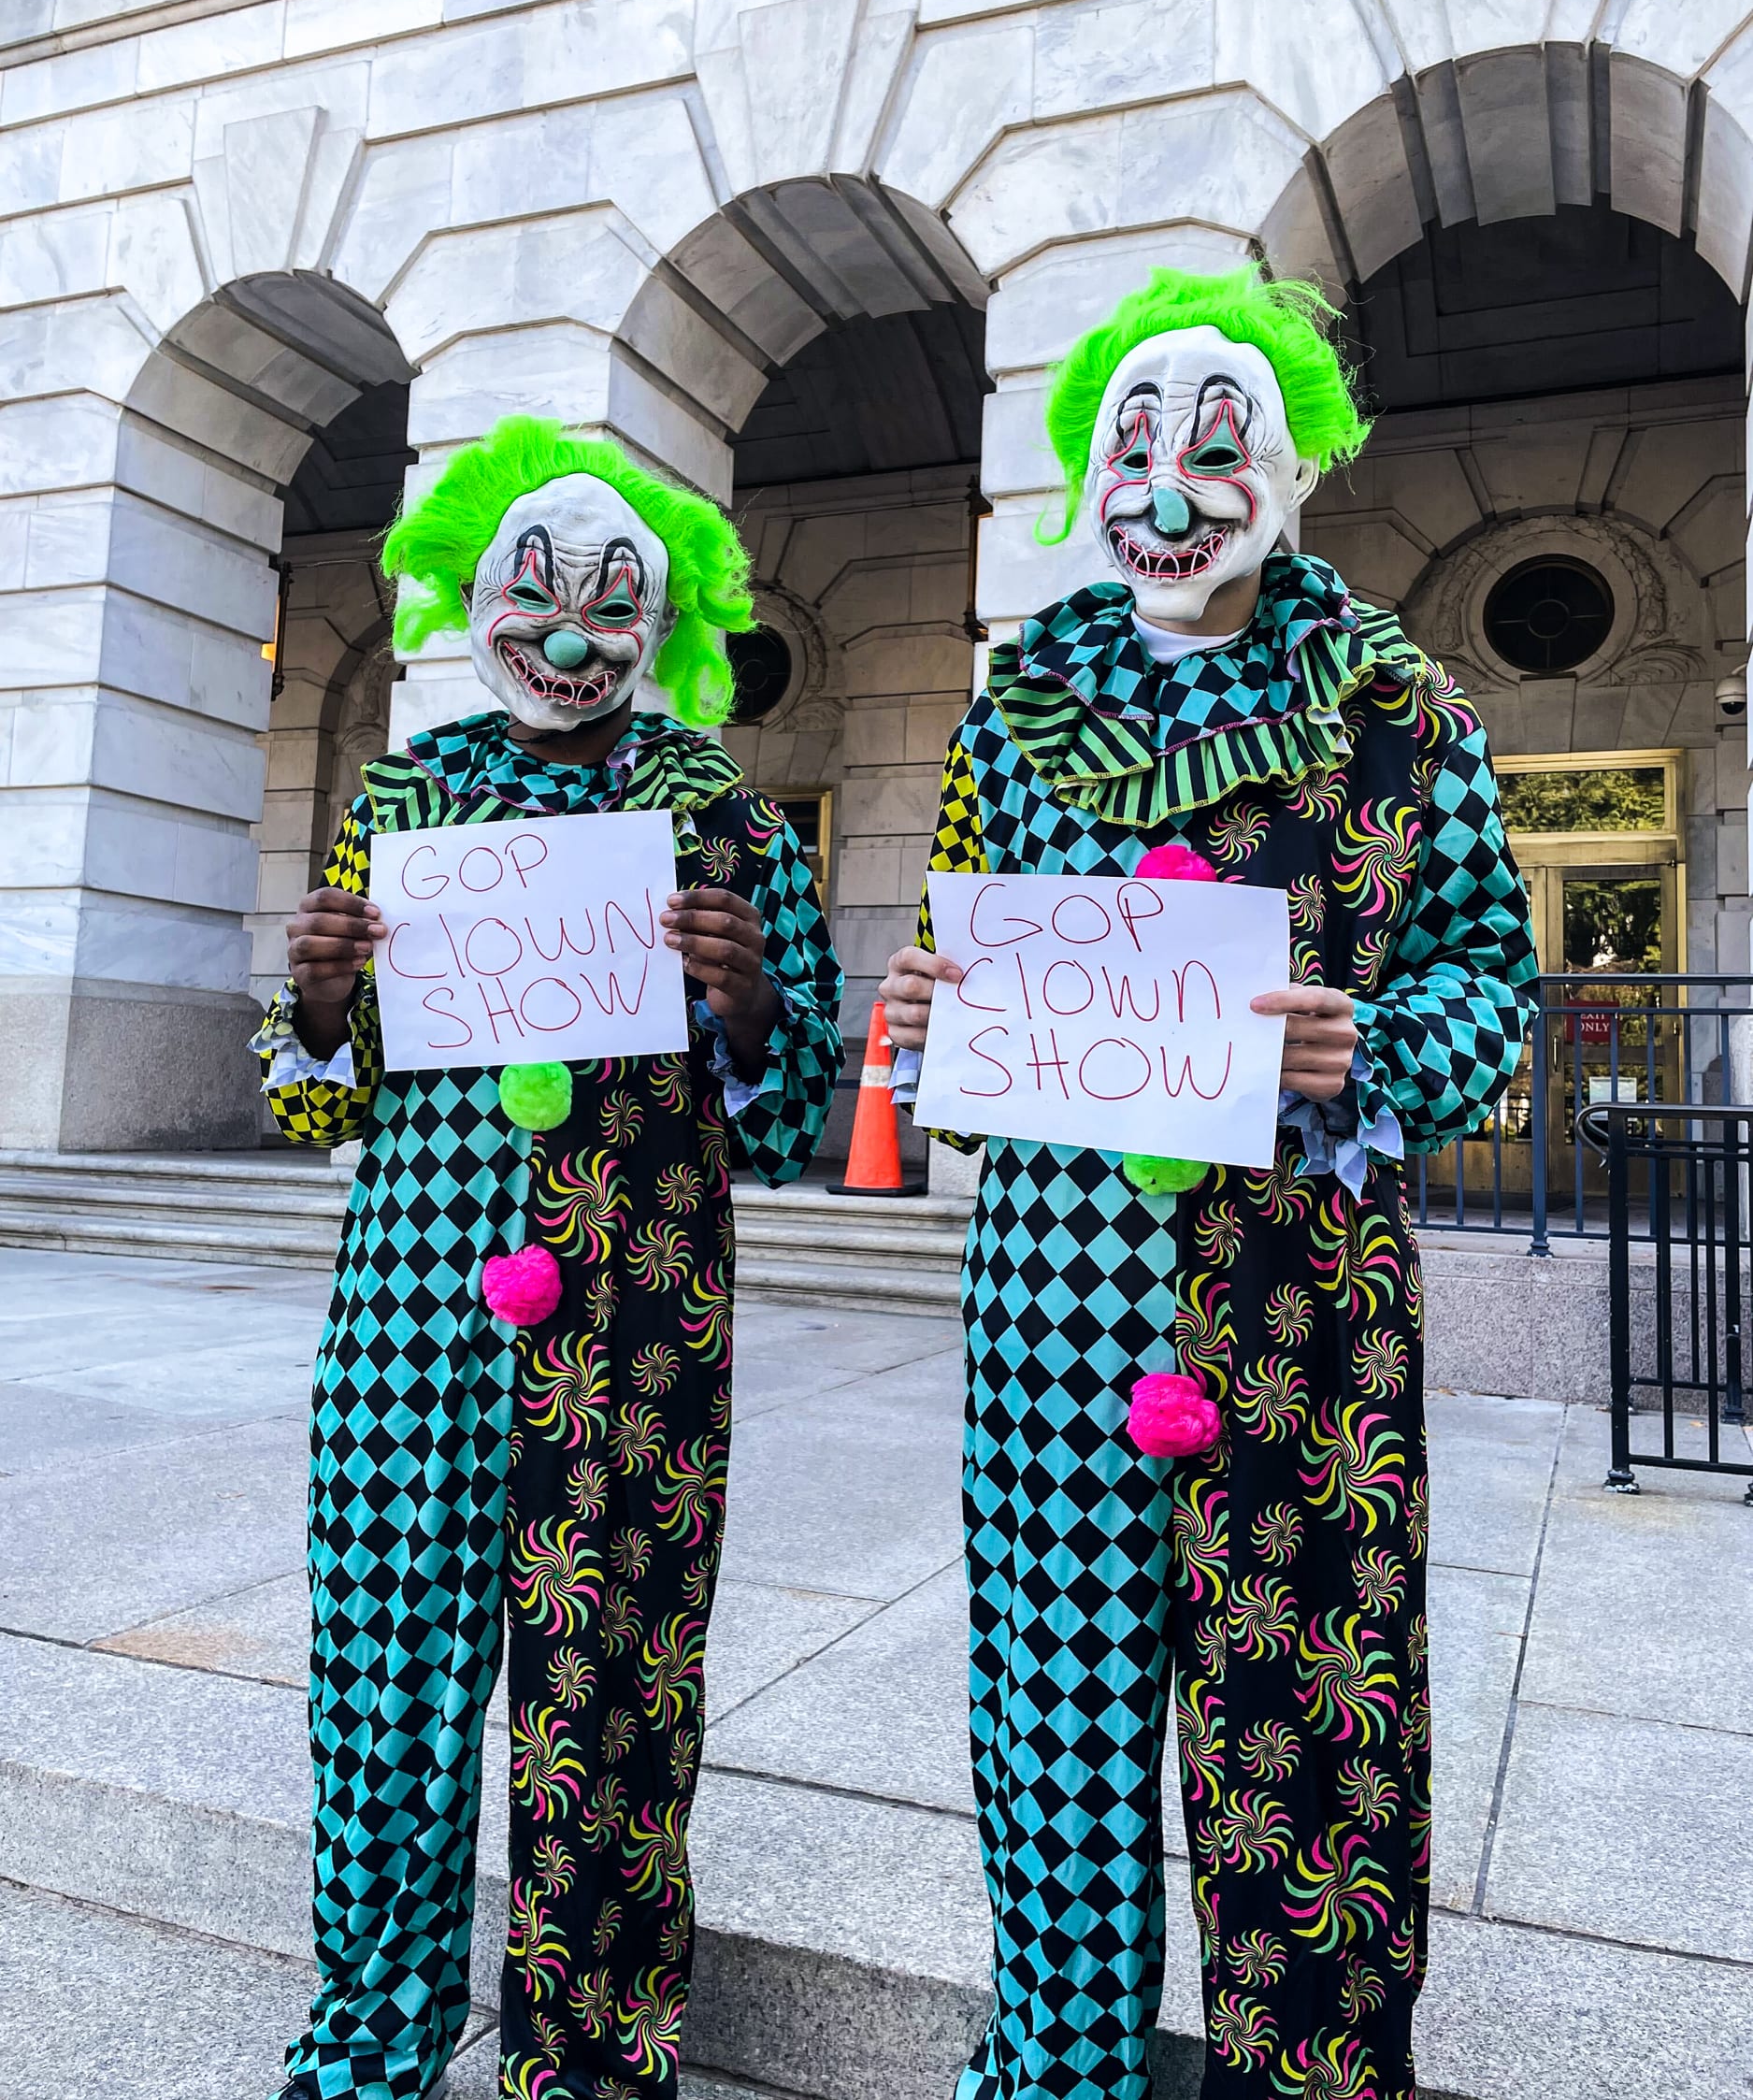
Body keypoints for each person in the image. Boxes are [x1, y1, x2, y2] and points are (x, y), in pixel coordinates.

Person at [879, 266, 1537, 2100]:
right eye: (1132, 444)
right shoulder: (1009, 713)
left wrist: (1371, 1047)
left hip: (1298, 1315)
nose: (1169, 487)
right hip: (1048, 1313)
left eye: (1215, 441)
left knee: (1305, 1736)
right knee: (1052, 1731)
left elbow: (1494, 987)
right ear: (1086, 468)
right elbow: (942, 1051)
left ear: (1289, 466)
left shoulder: (1394, 706)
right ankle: (1057, 2061)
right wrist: (924, 1022)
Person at [255, 418, 843, 2100]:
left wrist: (740, 998)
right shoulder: (404, 797)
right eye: (539, 595)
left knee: (616, 1700)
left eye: (613, 603)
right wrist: (313, 1001)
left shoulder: (720, 808)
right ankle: (372, 2021)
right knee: (383, 1685)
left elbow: (792, 1106)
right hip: (411, 1318)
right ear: (474, 601)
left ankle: (590, 2054)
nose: (573, 634)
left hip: (637, 1324)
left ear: (663, 617)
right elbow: (321, 1107)